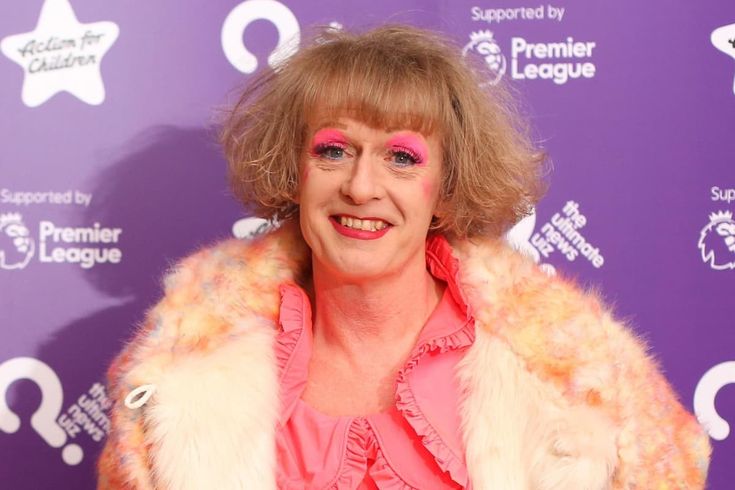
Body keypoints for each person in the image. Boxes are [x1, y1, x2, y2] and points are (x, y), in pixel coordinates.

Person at [97, 25, 710, 489]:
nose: (362, 187)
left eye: (402, 157)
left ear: (446, 187)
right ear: (294, 171)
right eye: (334, 151)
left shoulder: (571, 367)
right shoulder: (178, 367)